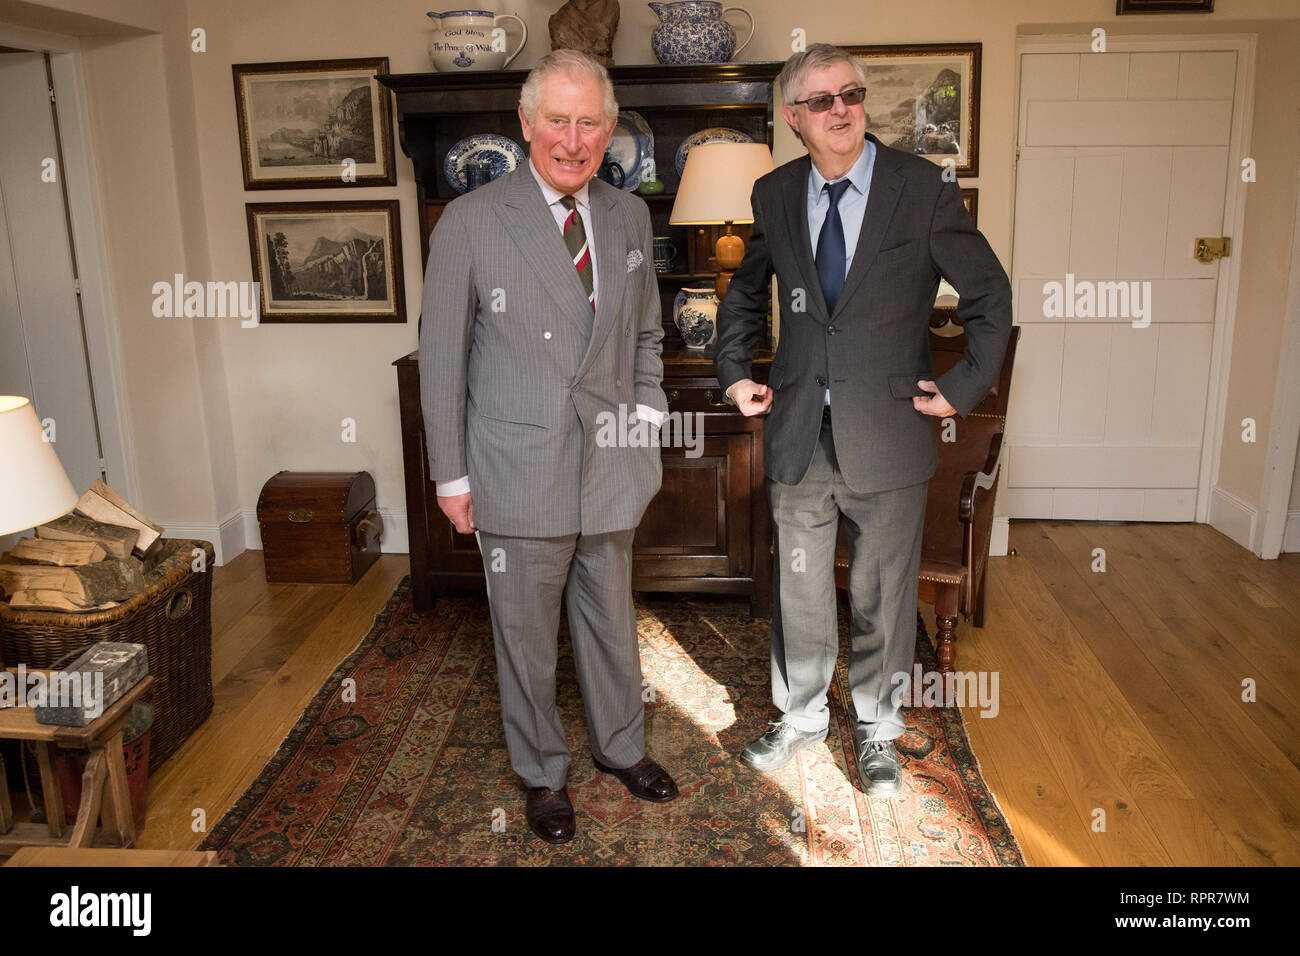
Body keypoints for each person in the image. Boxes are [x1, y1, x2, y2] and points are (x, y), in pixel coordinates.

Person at [714, 44, 1012, 797]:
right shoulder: (775, 193)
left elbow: (989, 297)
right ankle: (802, 716)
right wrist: (733, 374)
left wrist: (961, 388)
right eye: (821, 101)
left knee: (882, 593)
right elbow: (746, 291)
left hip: (887, 433)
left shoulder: (923, 189)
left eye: (851, 93)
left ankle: (878, 728)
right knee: (801, 589)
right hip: (797, 433)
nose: (841, 109)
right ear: (793, 119)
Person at [418, 49, 678, 844]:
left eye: (589, 121)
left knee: (609, 621)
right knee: (526, 639)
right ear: (527, 124)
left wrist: (649, 415)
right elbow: (441, 358)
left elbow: (644, 337)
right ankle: (541, 774)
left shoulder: (630, 216)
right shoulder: (469, 219)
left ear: (609, 130)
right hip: (514, 466)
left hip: (609, 464)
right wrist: (450, 477)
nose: (574, 139)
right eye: (557, 120)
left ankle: (622, 749)